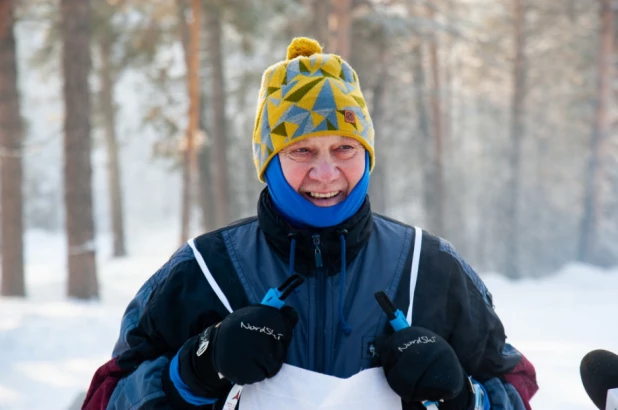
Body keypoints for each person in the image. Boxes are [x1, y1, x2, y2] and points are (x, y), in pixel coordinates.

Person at [82, 37, 538, 410]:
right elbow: (105, 398)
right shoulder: (203, 269)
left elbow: (515, 388)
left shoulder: (431, 268)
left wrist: (463, 398)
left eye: (345, 149)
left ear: (367, 154)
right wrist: (196, 369)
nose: (325, 174)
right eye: (302, 150)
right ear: (269, 160)